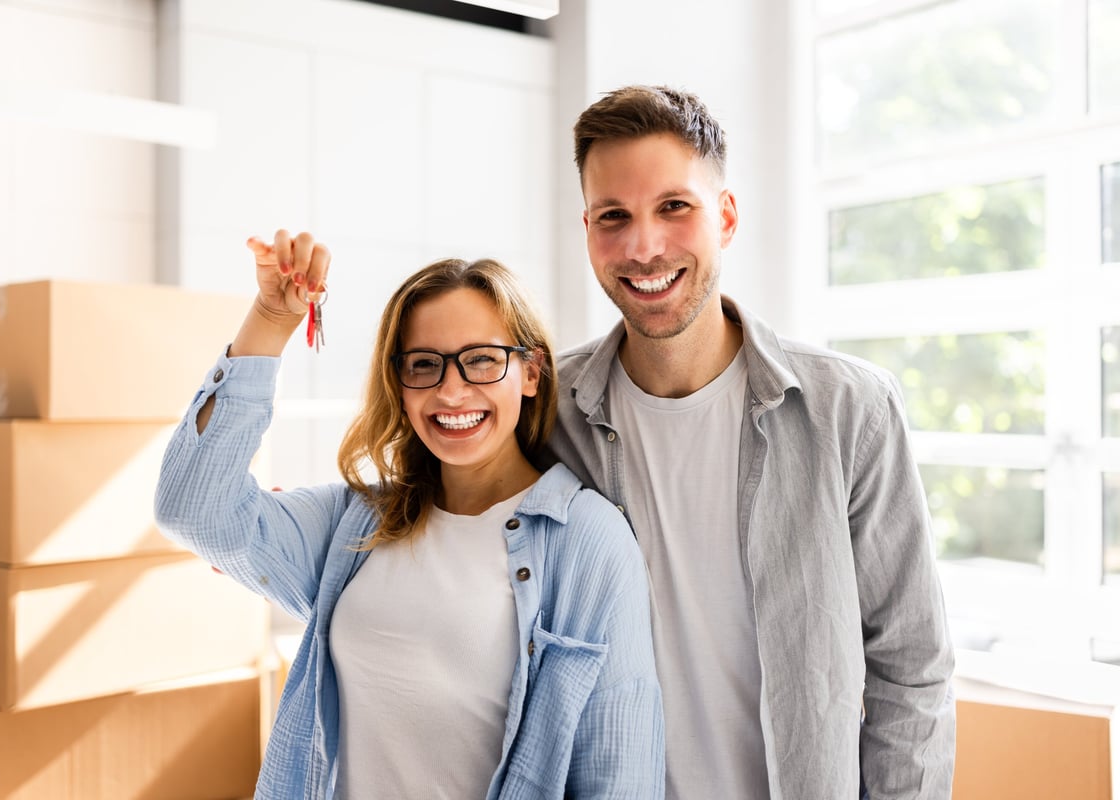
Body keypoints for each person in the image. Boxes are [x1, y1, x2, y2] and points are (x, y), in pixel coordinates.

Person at [543, 85, 957, 799]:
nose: (644, 247)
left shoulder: (850, 408)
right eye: (614, 217)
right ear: (587, 230)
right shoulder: (546, 413)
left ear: (726, 217)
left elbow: (912, 667)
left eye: (675, 207)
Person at [154, 231, 665, 799]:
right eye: (424, 365)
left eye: (481, 360)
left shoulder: (588, 540)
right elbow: (194, 508)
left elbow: (619, 778)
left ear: (530, 372)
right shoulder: (356, 523)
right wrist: (272, 320)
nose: (451, 391)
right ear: (398, 385)